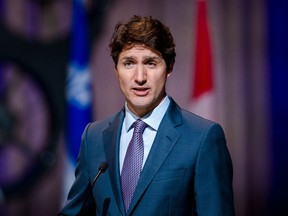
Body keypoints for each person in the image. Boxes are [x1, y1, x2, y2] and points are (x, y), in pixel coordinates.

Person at [59, 15, 235, 216]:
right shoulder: (94, 137)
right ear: (116, 70)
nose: (140, 77)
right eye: (129, 63)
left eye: (151, 63)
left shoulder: (203, 138)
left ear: (169, 68)